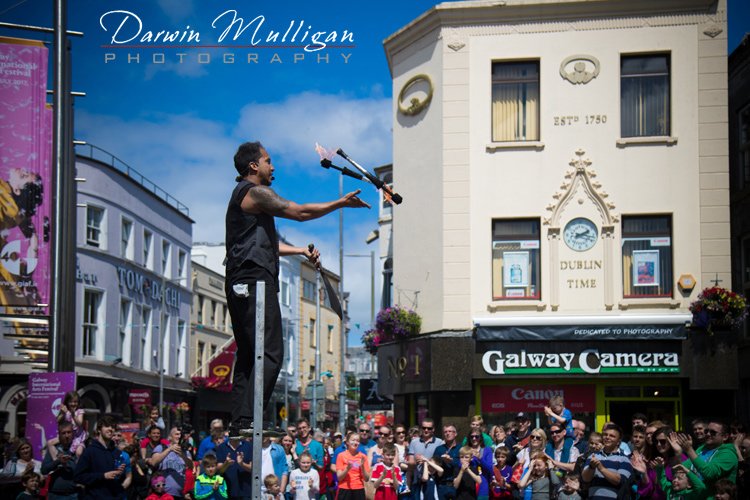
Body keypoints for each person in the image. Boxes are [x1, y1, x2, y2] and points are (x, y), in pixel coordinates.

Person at [225, 141, 369, 437]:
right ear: (254, 166)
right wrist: (340, 203)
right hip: (254, 280)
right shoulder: (255, 193)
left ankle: (241, 420)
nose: (272, 166)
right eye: (268, 160)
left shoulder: (244, 200)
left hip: (241, 279)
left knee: (250, 352)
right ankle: (251, 418)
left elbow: (264, 245)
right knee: (271, 350)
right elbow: (300, 212)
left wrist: (301, 249)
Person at [675, 421, 739, 497]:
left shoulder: (728, 454)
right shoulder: (702, 448)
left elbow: (709, 473)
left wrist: (689, 450)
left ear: (725, 437)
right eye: (706, 431)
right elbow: (681, 469)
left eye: (713, 432)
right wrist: (678, 452)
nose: (708, 434)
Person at [73, 415, 128, 499]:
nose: (110, 429)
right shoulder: (89, 451)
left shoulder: (117, 452)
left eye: (113, 427)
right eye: (107, 426)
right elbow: (78, 477)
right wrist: (103, 476)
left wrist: (120, 472)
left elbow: (120, 478)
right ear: (99, 429)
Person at [581, 423, 632, 500]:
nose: (607, 437)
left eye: (612, 436)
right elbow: (585, 479)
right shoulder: (593, 456)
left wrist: (601, 468)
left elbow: (619, 481)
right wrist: (591, 467)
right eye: (605, 435)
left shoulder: (624, 459)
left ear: (618, 441)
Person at [148, 426, 192, 499]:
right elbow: (154, 462)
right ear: (170, 437)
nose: (179, 436)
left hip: (179, 495)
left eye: (181, 434)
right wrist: (169, 449)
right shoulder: (161, 448)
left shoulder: (185, 452)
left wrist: (182, 455)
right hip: (163, 494)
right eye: (176, 434)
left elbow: (191, 466)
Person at [41, 421, 79, 500]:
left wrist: (68, 462)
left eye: (69, 432)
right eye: (63, 433)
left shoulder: (78, 450)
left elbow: (81, 470)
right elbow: (44, 470)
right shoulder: (53, 449)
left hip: (73, 494)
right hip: (55, 495)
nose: (67, 435)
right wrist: (58, 461)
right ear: (59, 435)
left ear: (73, 434)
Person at [216, 435, 253, 500]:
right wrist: (226, 464)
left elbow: (253, 469)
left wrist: (242, 464)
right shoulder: (221, 447)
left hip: (246, 492)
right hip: (226, 491)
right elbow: (219, 471)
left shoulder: (249, 446)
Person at [336, 431, 371, 500]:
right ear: (347, 442)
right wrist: (347, 469)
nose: (355, 442)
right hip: (344, 488)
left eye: (357, 441)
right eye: (353, 440)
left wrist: (362, 467)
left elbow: (366, 479)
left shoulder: (363, 456)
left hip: (359, 489)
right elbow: (339, 477)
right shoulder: (341, 455)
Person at [434, 423, 461, 500]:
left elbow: (464, 465)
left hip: (457, 485)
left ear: (455, 434)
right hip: (442, 485)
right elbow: (434, 465)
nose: (447, 433)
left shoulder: (461, 448)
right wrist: (442, 461)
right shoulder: (439, 449)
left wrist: (451, 461)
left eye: (450, 431)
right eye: (445, 432)